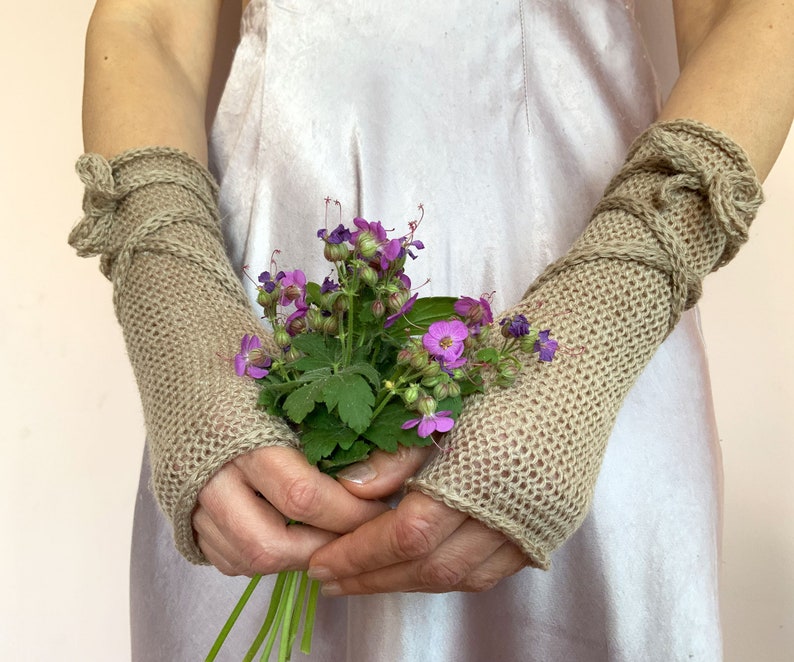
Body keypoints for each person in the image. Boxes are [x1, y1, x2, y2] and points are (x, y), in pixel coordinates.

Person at [72, 1, 794, 660]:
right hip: (266, 323)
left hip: (595, 332)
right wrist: (175, 313)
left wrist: (607, 313)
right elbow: (148, 24)